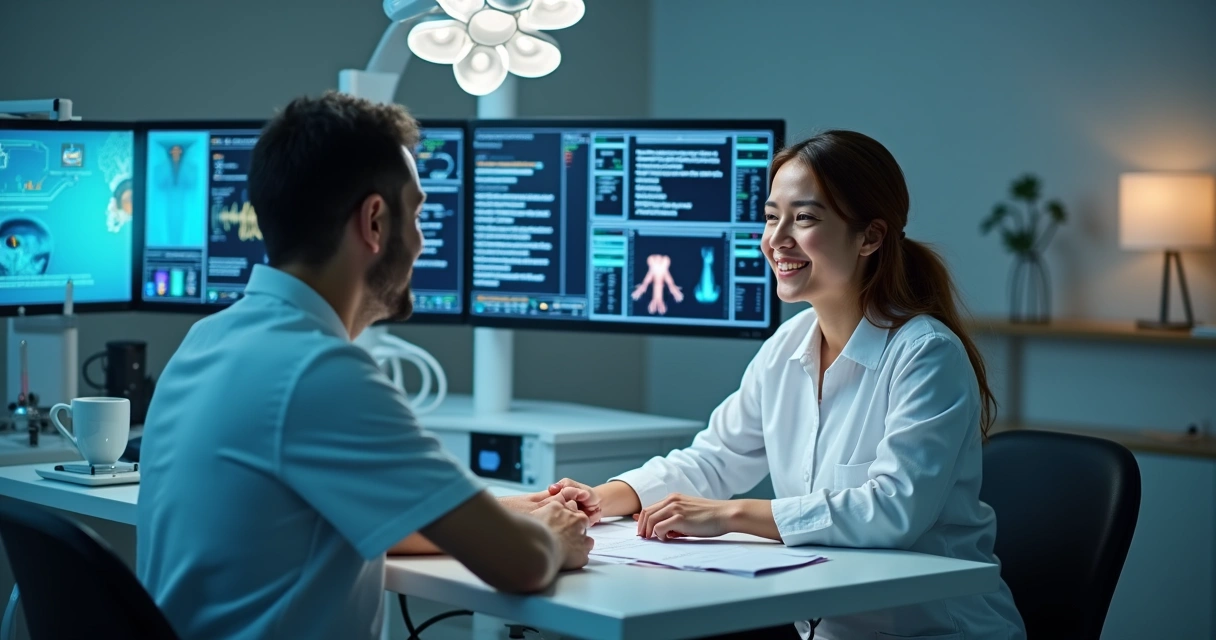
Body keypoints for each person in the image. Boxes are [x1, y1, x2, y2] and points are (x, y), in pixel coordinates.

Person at [136, 92, 593, 640]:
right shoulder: (320, 373)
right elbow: (520, 566)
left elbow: (349, 508)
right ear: (375, 221)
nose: (422, 241)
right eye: (418, 212)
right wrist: (553, 534)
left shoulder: (207, 341)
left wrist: (510, 509)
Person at [551, 131, 1027, 640]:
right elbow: (713, 459)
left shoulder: (926, 354)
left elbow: (893, 510)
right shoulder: (789, 343)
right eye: (770, 215)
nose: (776, 238)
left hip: (936, 632)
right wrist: (600, 499)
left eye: (804, 218)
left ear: (870, 237)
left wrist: (730, 515)